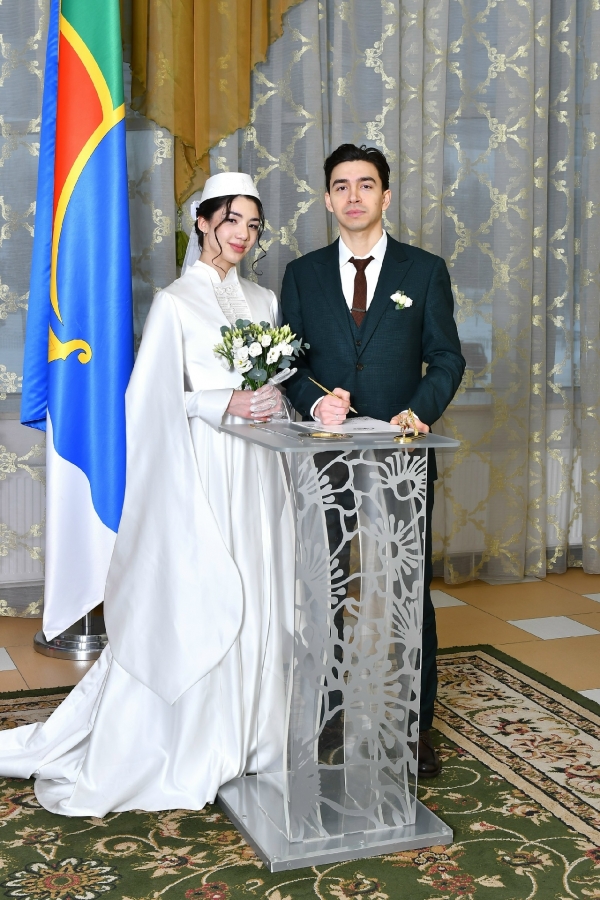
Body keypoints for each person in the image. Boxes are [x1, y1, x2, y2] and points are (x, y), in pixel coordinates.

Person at [0, 172, 294, 815]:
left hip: (256, 470)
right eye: (231, 220)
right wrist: (222, 402)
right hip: (202, 469)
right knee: (207, 590)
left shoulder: (266, 302)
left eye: (253, 225)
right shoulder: (174, 303)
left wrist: (273, 399)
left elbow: (273, 384)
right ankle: (192, 738)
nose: (242, 235)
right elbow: (150, 401)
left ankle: (252, 735)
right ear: (203, 222)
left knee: (258, 588)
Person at [281, 144, 465, 778]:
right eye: (341, 185)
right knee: (327, 585)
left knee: (408, 589)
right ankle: (328, 714)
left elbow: (447, 358)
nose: (353, 195)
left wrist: (419, 411)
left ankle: (415, 725)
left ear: (385, 196)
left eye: (366, 184)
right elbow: (288, 364)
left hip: (402, 455)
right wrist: (314, 403)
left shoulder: (425, 271)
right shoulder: (301, 274)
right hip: (325, 455)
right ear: (327, 198)